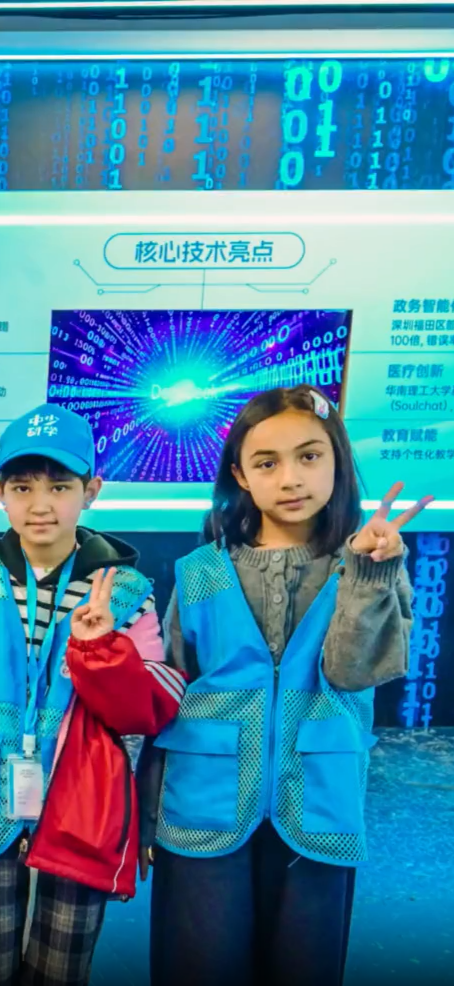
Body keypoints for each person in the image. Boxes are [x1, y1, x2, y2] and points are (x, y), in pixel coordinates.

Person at [0, 404, 185, 986]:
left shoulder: (126, 595)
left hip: (81, 803)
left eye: (60, 486)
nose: (41, 504)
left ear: (91, 491)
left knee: (61, 968)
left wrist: (101, 650)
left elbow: (146, 711)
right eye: (22, 487)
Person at [143, 385, 425, 986]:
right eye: (267, 463)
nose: (291, 478)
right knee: (198, 964)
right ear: (240, 475)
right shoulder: (198, 573)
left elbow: (353, 673)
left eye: (309, 456)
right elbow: (167, 699)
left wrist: (368, 576)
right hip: (203, 803)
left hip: (318, 802)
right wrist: (145, 813)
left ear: (337, 461)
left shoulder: (369, 566)